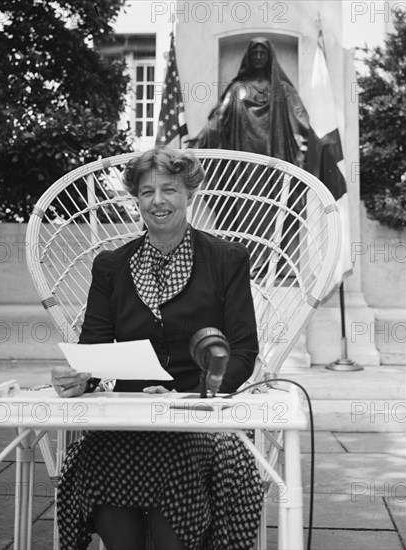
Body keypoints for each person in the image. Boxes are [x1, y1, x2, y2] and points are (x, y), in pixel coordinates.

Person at [51, 147, 264, 550]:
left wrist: (192, 394)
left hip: (201, 414)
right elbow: (93, 350)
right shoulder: (111, 266)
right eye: (147, 192)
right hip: (128, 416)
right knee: (98, 459)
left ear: (190, 195)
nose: (158, 201)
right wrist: (79, 377)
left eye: (170, 189)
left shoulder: (226, 258)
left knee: (179, 460)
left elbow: (241, 353)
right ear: (137, 200)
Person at [193, 37, 309, 167]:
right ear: (249, 57)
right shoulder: (237, 88)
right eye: (255, 53)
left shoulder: (281, 89)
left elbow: (300, 120)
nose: (258, 56)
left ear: (269, 56)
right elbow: (219, 118)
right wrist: (200, 141)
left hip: (275, 152)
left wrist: (319, 142)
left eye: (262, 53)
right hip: (243, 157)